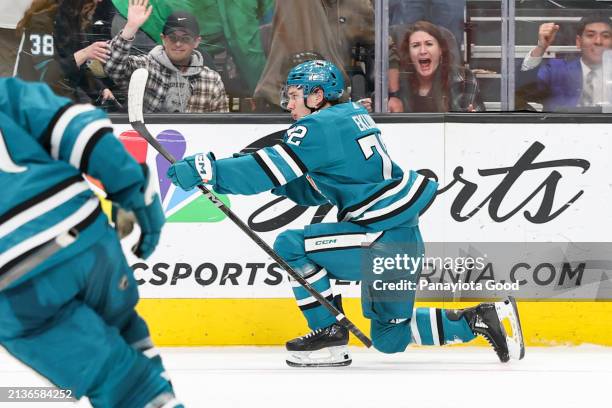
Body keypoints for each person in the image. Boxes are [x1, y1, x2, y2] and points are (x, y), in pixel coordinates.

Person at [165, 60, 524, 367]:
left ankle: (330, 334)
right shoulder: (349, 117)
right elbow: (313, 189)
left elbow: (262, 170)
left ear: (316, 95)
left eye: (293, 94)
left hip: (378, 239)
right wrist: (277, 181)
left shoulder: (319, 126)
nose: (288, 103)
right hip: (400, 239)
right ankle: (478, 318)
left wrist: (207, 169)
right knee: (389, 338)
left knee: (291, 244)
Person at [0, 77, 181, 407]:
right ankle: (158, 392)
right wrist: (134, 193)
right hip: (85, 238)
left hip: (14, 287)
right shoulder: (6, 94)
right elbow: (84, 133)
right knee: (125, 330)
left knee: (122, 385)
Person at [105, 0, 228, 113]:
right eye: (172, 38)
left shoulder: (211, 79)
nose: (178, 43)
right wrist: (130, 27)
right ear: (163, 39)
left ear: (196, 42)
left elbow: (220, 126)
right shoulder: (147, 68)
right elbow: (113, 68)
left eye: (185, 38)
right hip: (150, 136)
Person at [14, 0, 118, 106]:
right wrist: (85, 53)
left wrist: (100, 90)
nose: (100, 1)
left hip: (58, 99)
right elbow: (48, 73)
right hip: (33, 103)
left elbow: (76, 68)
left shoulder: (73, 20)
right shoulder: (42, 21)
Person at [519, 14, 612, 111]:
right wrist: (541, 47)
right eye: (590, 35)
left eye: (605, 36)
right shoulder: (556, 70)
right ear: (579, 42)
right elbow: (522, 91)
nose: (598, 41)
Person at [397, 20, 485, 112]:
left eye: (429, 44)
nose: (422, 51)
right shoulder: (399, 85)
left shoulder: (464, 79)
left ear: (440, 50)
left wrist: (473, 121)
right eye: (415, 45)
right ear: (409, 53)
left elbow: (482, 122)